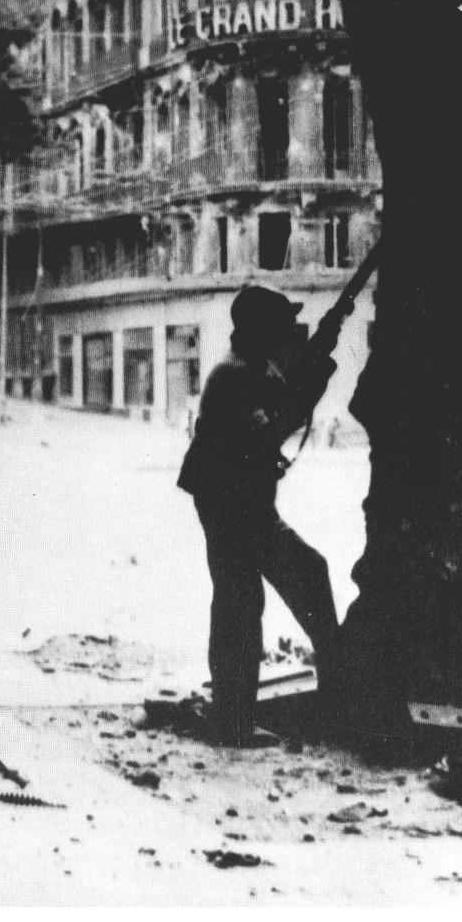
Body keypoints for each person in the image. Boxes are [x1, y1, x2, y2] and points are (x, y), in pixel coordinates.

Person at [177, 286, 340, 747]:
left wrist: (317, 362)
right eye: (280, 325)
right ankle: (232, 721)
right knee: (240, 604)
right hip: (229, 503)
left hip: (245, 502)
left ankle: (245, 714)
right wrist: (313, 373)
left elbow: (283, 410)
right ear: (258, 330)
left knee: (295, 578)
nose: (288, 331)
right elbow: (275, 426)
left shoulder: (254, 368)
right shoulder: (233, 376)